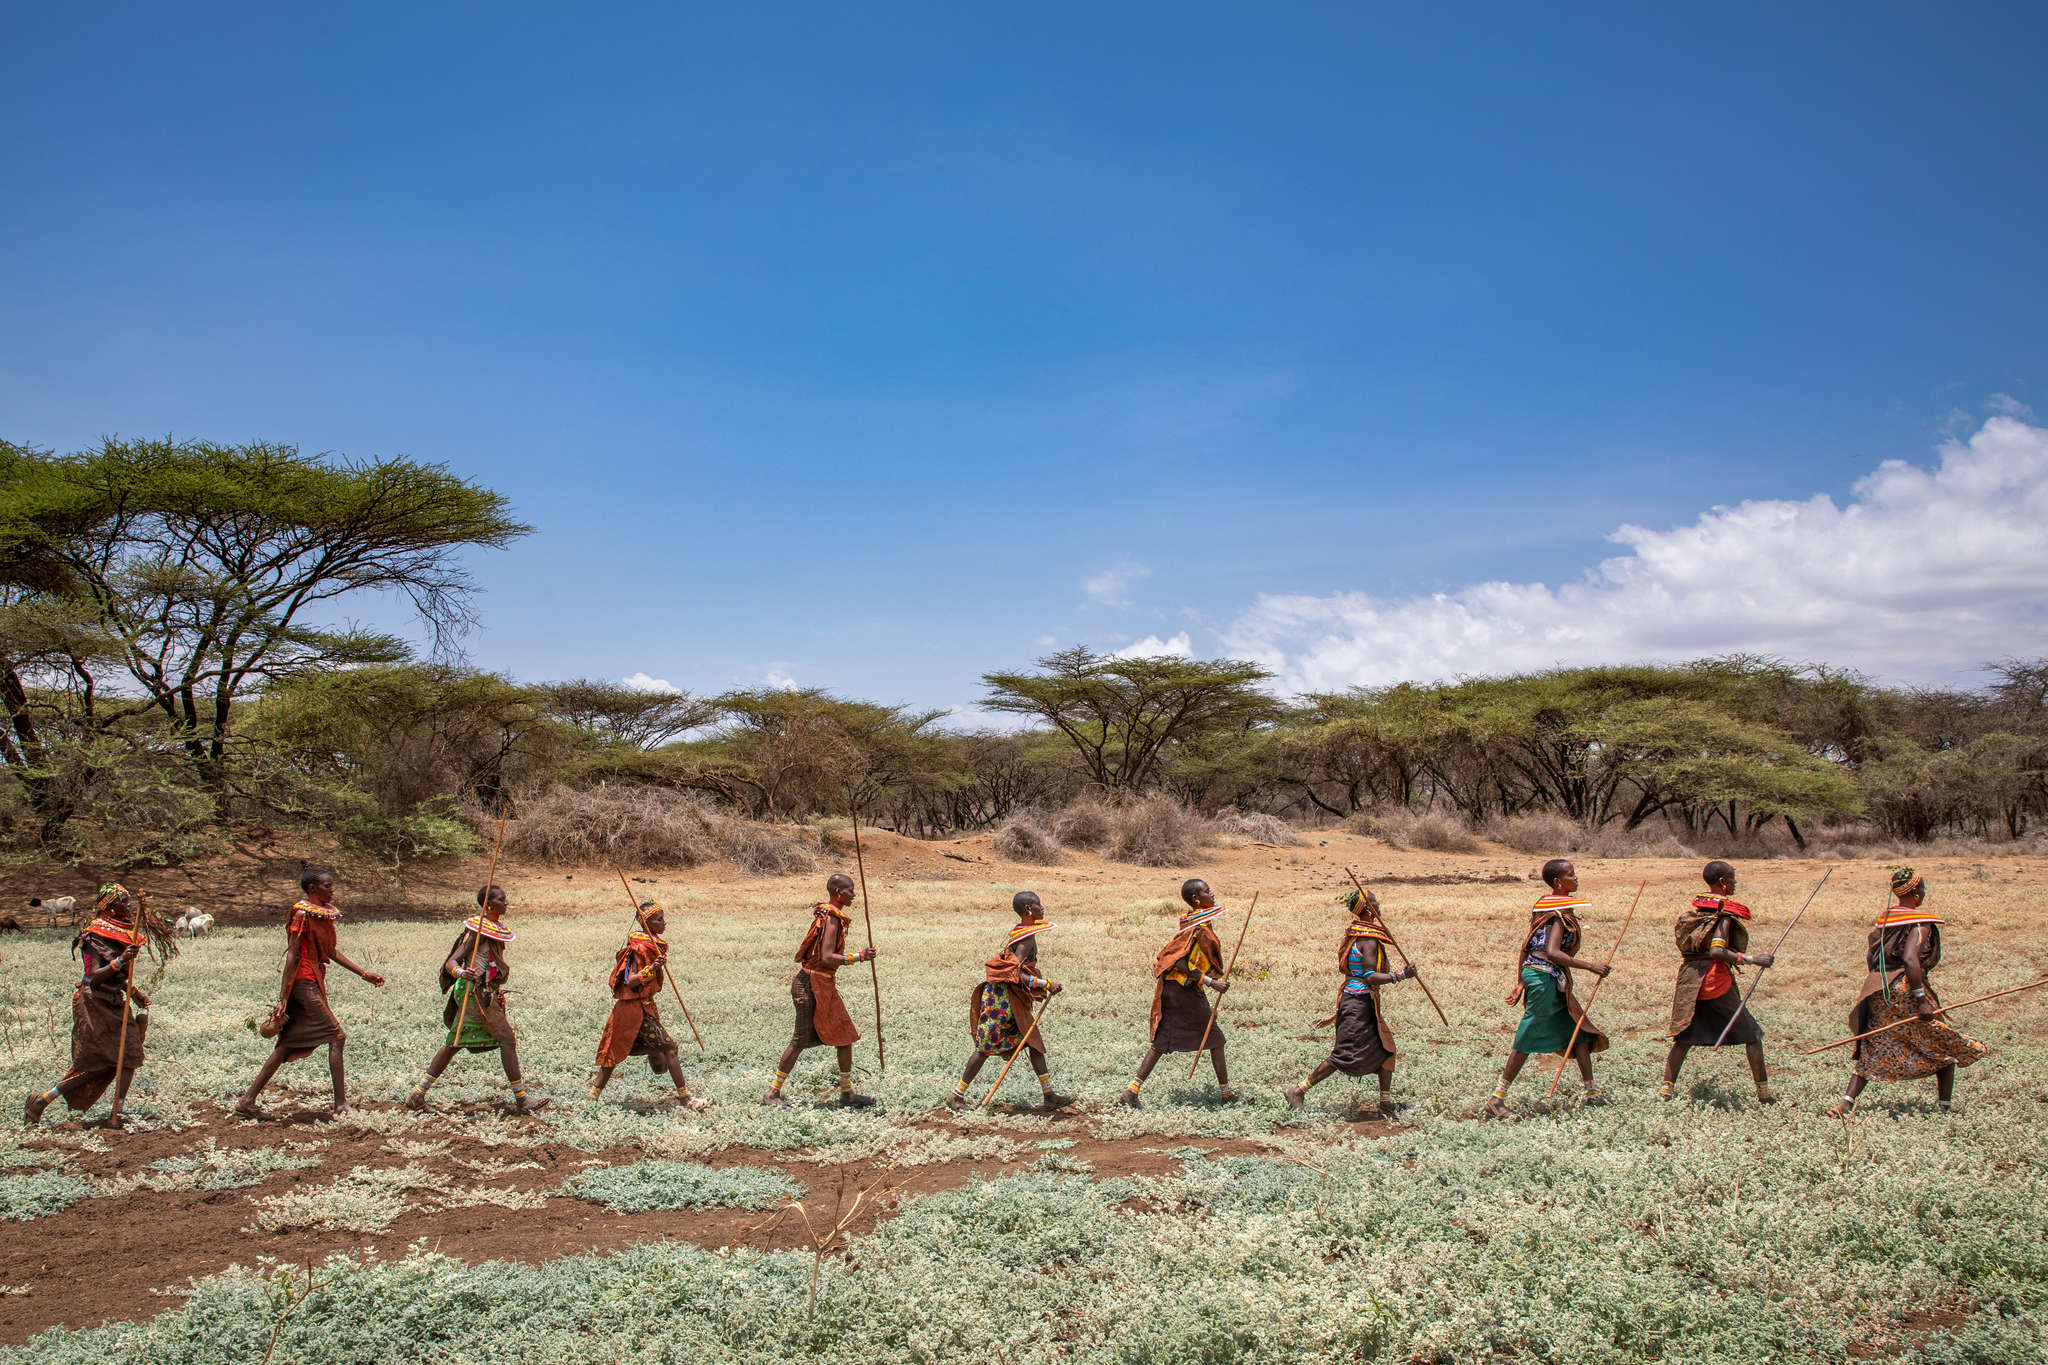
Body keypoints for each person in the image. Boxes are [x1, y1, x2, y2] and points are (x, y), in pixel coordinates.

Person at [1826, 868, 1984, 1117]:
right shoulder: (1920, 922)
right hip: (1905, 989)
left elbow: (1872, 957)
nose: (1923, 893)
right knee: (1943, 1043)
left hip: (1878, 990)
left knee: (1875, 1045)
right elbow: (1911, 959)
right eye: (1922, 889)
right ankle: (1945, 1108)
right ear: (1916, 894)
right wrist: (1921, 1000)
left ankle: (1845, 1103)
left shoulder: (1886, 920)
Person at [236, 868, 386, 1119]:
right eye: (327, 886)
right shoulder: (301, 913)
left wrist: (363, 973)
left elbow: (332, 952)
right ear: (312, 889)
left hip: (313, 979)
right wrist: (283, 998)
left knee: (286, 1045)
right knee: (336, 1036)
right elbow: (292, 954)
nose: (332, 889)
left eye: (332, 885)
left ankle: (247, 1100)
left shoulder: (324, 914)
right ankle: (341, 1105)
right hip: (303, 982)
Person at [1481, 858, 1611, 1118]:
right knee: (1527, 1037)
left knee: (1580, 1032)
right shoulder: (1558, 914)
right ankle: (1497, 1099)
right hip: (1543, 980)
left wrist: (1520, 980)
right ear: (1558, 882)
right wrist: (1589, 966)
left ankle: (1592, 1093)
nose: (1577, 878)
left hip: (1545, 978)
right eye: (1571, 875)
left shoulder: (1547, 909)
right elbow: (1551, 952)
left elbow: (1528, 946)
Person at [23, 885, 160, 1127]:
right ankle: (43, 1100)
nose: (127, 906)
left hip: (117, 1002)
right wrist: (121, 960)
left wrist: (135, 992)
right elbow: (93, 977)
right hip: (96, 1005)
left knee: (130, 1056)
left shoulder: (122, 934)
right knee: (103, 1063)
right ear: (110, 905)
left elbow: (120, 977)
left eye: (128, 901)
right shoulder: (92, 937)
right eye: (123, 902)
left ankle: (115, 1114)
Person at [405, 883, 548, 1114]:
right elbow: (451, 962)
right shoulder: (477, 931)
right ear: (489, 904)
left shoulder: (492, 929)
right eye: (501, 899)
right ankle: (521, 1100)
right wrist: (462, 972)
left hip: (483, 992)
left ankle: (418, 1094)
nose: (506, 903)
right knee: (507, 1040)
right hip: (473, 993)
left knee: (454, 1045)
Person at [1285, 886, 1416, 1114]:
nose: (1378, 905)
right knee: (1343, 1055)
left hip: (1360, 1002)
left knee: (1386, 1050)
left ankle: (1385, 1104)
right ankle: (1298, 1090)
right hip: (1357, 1003)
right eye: (1374, 902)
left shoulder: (1357, 933)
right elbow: (1369, 975)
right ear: (1366, 908)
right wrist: (1401, 975)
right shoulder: (1368, 941)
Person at [945, 891, 1073, 1112]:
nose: (1042, 908)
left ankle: (1049, 1095)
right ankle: (956, 1096)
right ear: (1028, 911)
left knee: (1033, 1042)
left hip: (1010, 999)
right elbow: (1015, 974)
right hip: (1001, 1001)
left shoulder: (1021, 932)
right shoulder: (1026, 938)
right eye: (1038, 905)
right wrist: (1046, 983)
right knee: (984, 1047)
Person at [1661, 860, 1775, 1103]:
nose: (1735, 883)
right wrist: (1753, 959)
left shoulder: (1695, 914)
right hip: (1715, 982)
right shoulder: (1723, 916)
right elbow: (1717, 952)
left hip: (1691, 982)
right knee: (1753, 1035)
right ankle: (1764, 1095)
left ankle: (1665, 1092)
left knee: (1684, 1038)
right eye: (1732, 878)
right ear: (1723, 882)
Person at [1120, 879, 1241, 1108]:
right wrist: (1211, 982)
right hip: (1181, 990)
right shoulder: (1195, 927)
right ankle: (1226, 1095)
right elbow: (1178, 961)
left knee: (1163, 1041)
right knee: (1215, 1038)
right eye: (1206, 891)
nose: (1211, 893)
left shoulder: (1200, 923)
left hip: (1181, 990)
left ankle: (1131, 1092)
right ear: (1196, 899)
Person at [763, 874, 878, 1108]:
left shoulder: (831, 916)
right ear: (837, 892)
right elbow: (826, 957)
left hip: (824, 985)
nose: (854, 894)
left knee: (845, 1036)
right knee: (800, 1040)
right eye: (849, 890)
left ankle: (847, 1094)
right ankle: (772, 1094)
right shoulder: (832, 918)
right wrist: (859, 957)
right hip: (810, 985)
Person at [588, 903, 708, 1110]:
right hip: (633, 1011)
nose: (664, 923)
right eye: (658, 919)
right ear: (645, 922)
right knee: (669, 1048)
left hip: (645, 1007)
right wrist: (651, 968)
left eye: (663, 918)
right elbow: (630, 981)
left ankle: (591, 1098)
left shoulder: (653, 945)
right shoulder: (638, 948)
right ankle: (686, 1100)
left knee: (622, 1053)